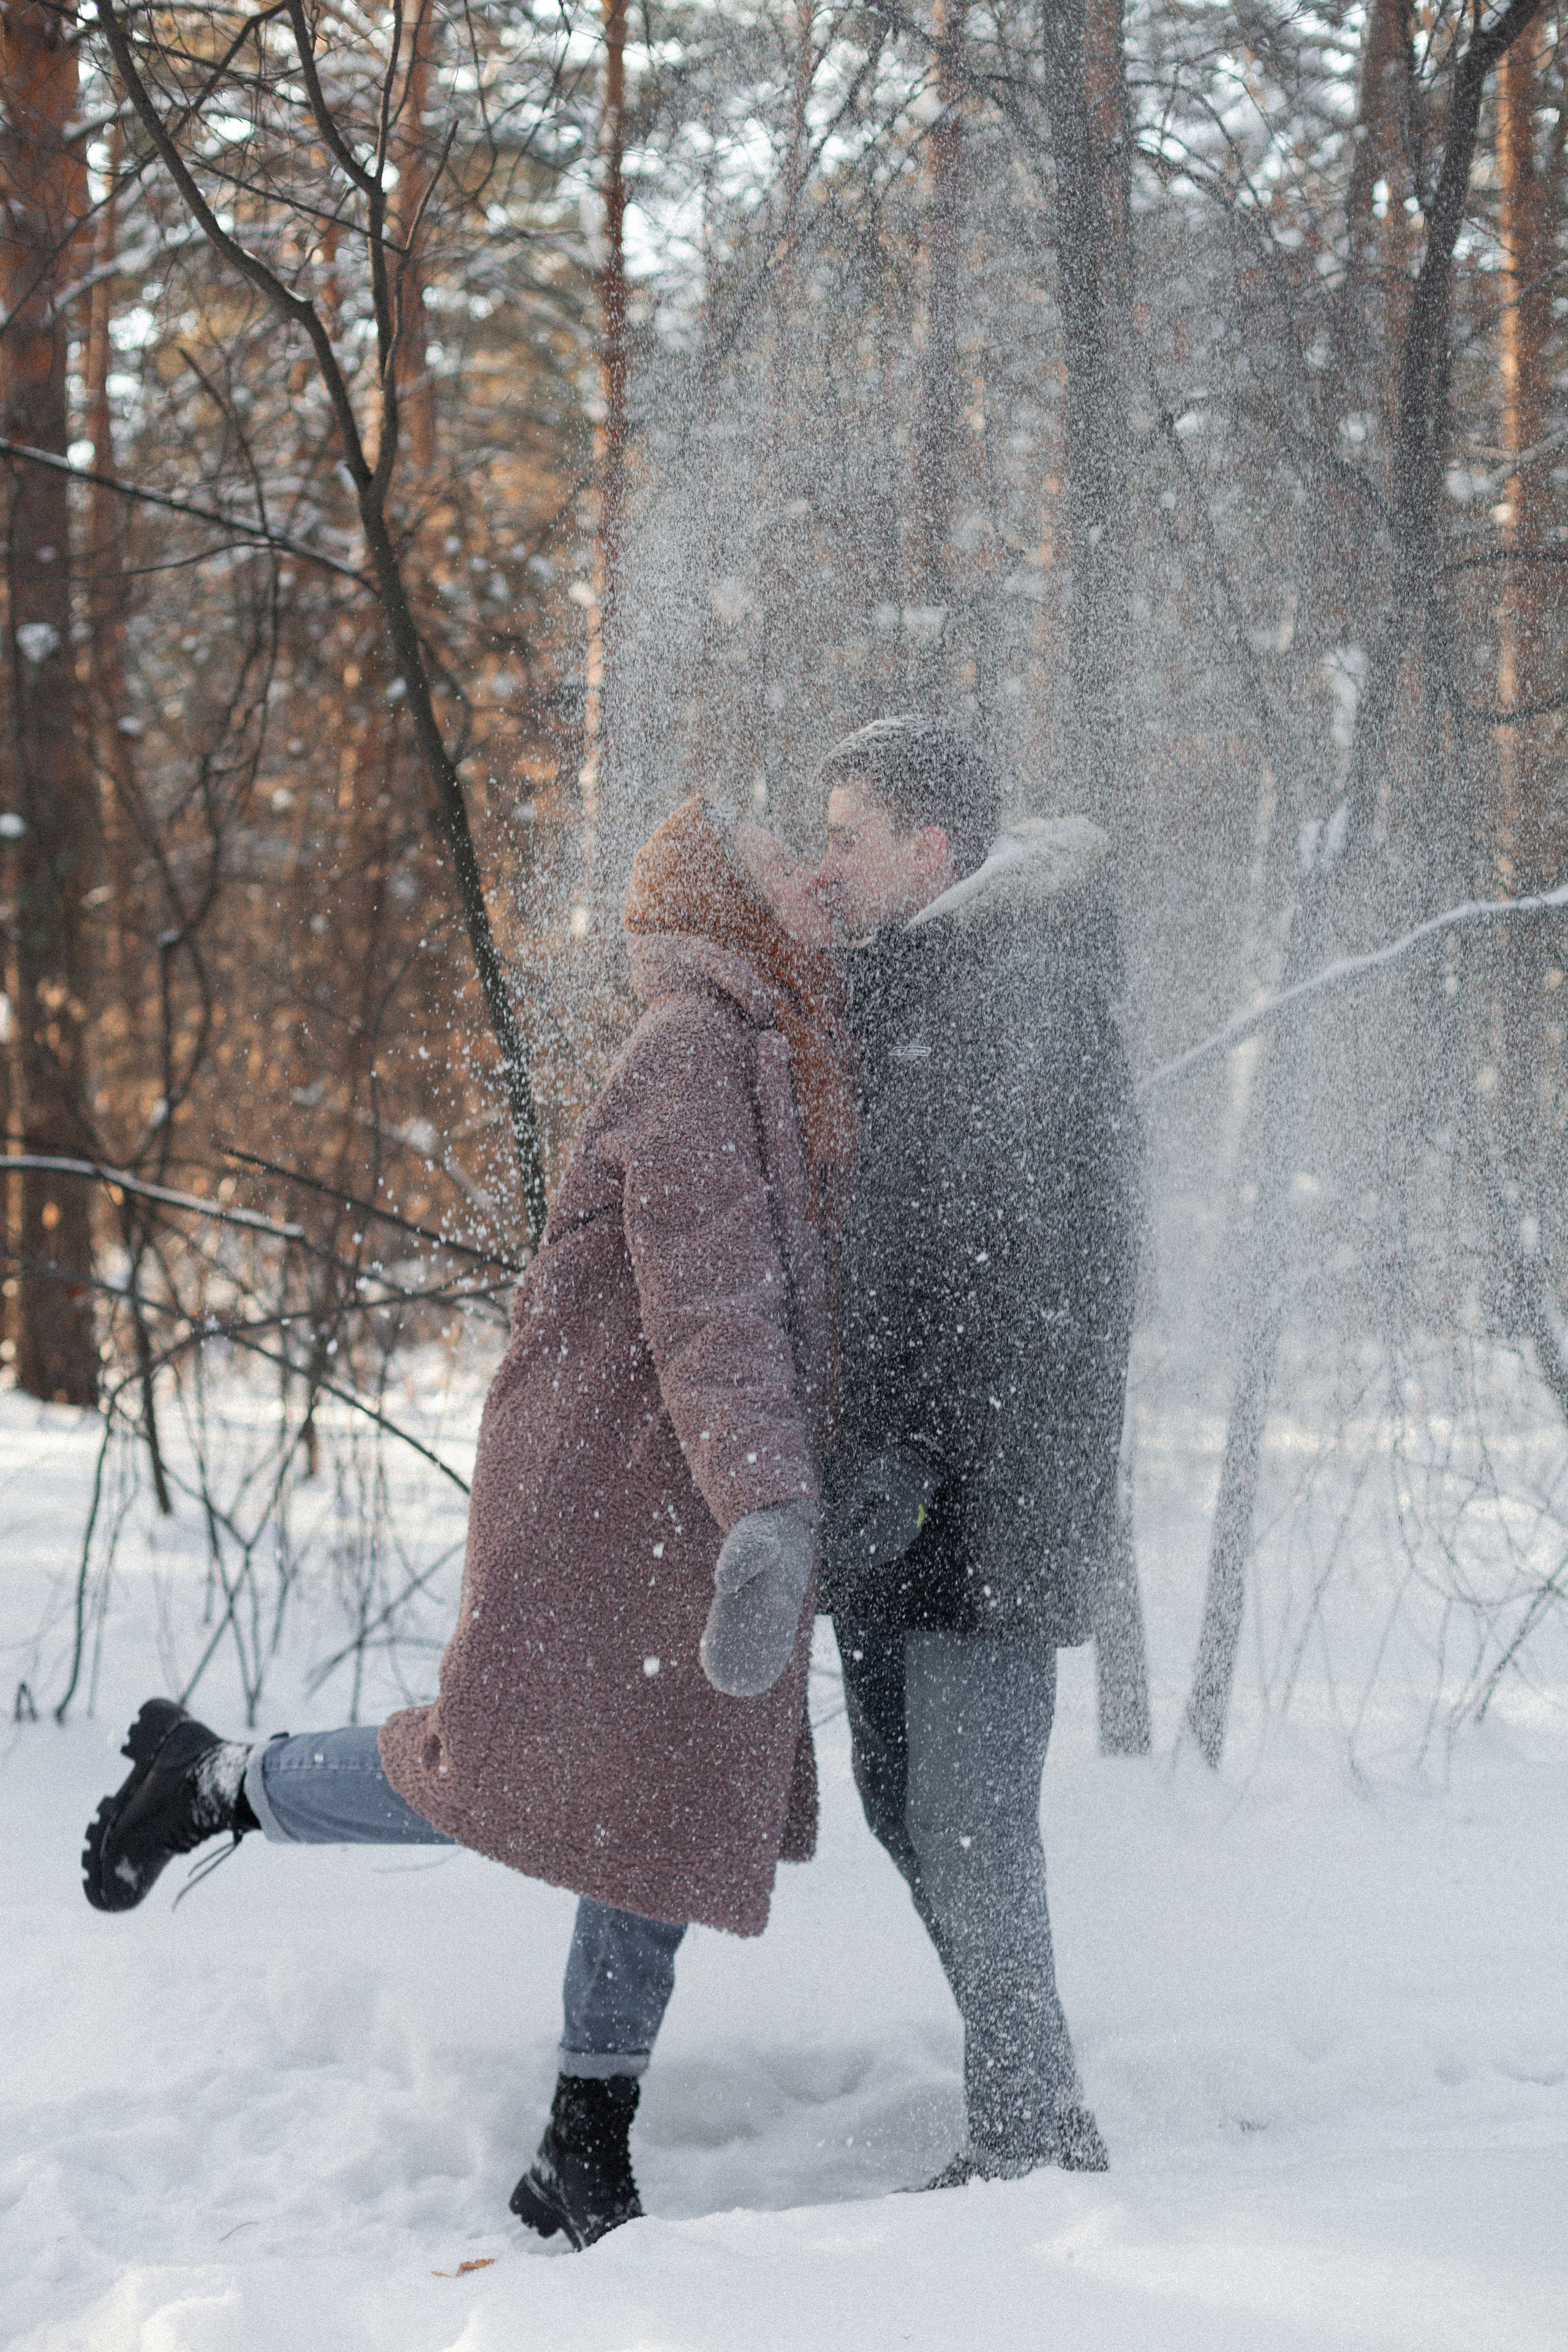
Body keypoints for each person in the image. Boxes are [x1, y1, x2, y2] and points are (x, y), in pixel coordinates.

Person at [81, 796, 857, 2250]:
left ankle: (583, 2145)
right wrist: (765, 1493)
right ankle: (211, 1784)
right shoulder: (695, 1052)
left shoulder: (772, 1044)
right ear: (726, 903)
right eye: (775, 858)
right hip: (613, 1495)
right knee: (499, 1766)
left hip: (688, 1495)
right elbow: (712, 1301)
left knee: (659, 1802)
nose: (809, 872)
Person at [813, 715, 1140, 2185]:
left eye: (848, 838)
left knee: (966, 1821)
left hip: (986, 1491)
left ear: (929, 851)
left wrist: (928, 1450)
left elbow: (1042, 1270)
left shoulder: (1029, 995)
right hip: (891, 1488)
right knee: (902, 1808)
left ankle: (1030, 2134)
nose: (826, 863)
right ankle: (1025, 2095)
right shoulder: (898, 988)